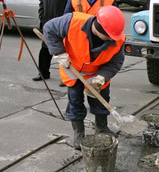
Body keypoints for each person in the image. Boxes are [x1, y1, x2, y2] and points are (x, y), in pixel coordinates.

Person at [43, 5, 125, 150]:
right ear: (100, 29)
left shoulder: (117, 39)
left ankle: (101, 128)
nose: (112, 39)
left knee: (101, 101)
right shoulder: (73, 22)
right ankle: (79, 134)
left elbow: (116, 62)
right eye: (109, 36)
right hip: (73, 70)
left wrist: (101, 77)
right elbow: (49, 28)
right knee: (75, 101)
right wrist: (59, 53)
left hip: (97, 73)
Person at [32, 0, 67, 81]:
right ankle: (43, 73)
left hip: (61, 24)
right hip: (47, 23)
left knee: (64, 52)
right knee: (45, 50)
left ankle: (66, 78)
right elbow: (41, 5)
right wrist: (42, 17)